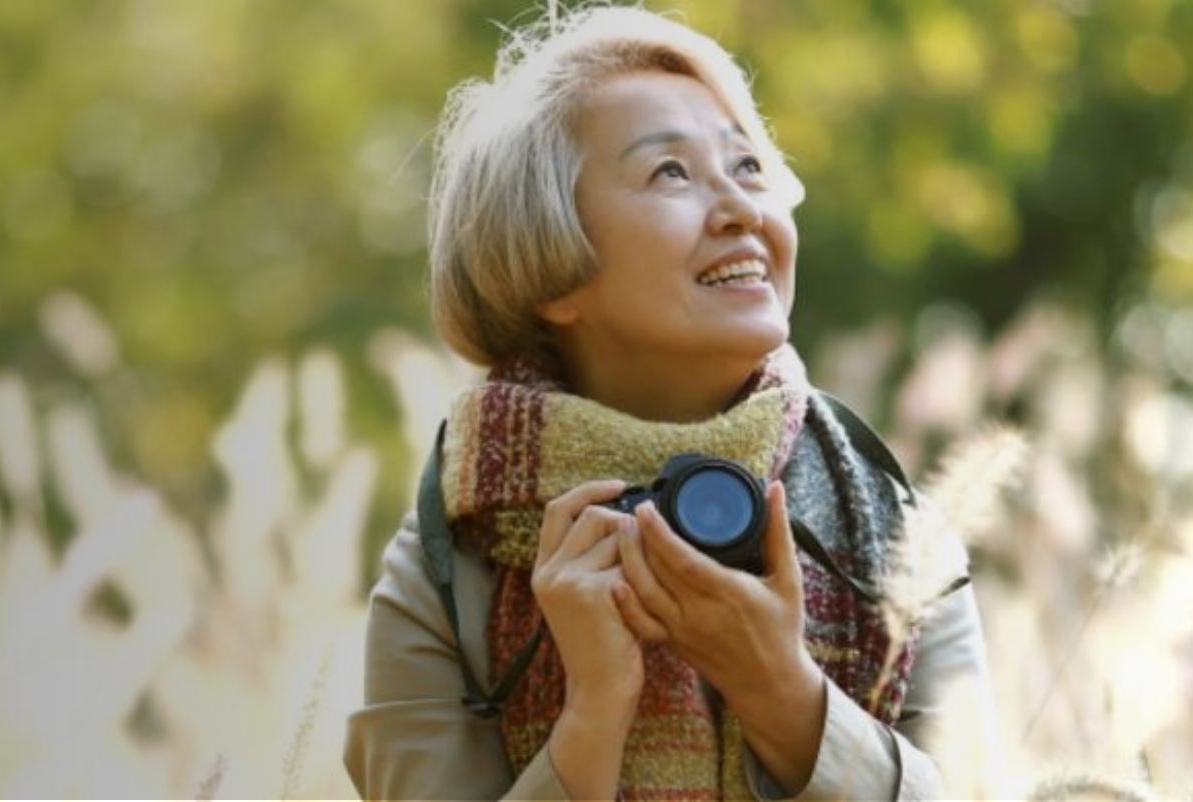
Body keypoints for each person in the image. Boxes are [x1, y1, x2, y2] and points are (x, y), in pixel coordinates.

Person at [342, 6, 999, 800]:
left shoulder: (893, 535)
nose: (741, 210)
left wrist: (782, 694)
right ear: (550, 263)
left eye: (748, 167)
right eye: (671, 173)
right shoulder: (451, 563)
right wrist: (592, 716)